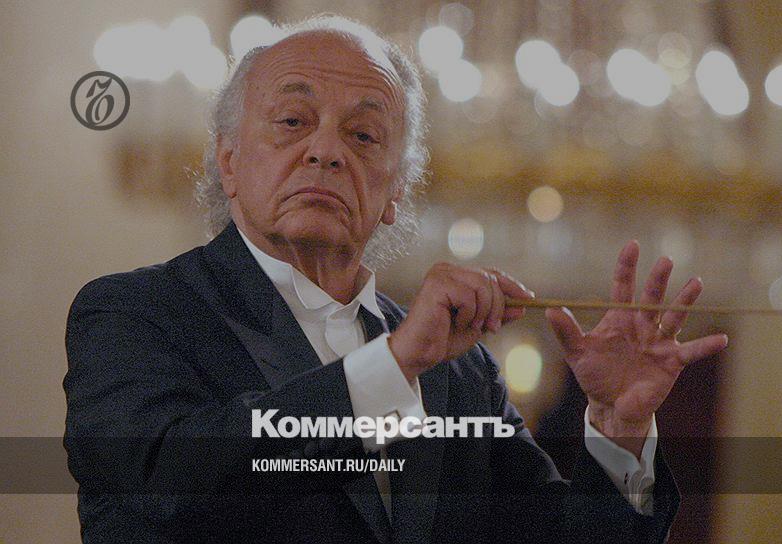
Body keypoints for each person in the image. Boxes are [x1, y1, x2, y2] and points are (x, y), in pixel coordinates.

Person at [63, 14, 728, 544]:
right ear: (229, 162)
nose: (326, 151)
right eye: (293, 122)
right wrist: (396, 362)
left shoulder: (459, 373)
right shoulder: (134, 313)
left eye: (363, 135)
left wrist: (618, 429)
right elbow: (168, 487)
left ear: (397, 192)